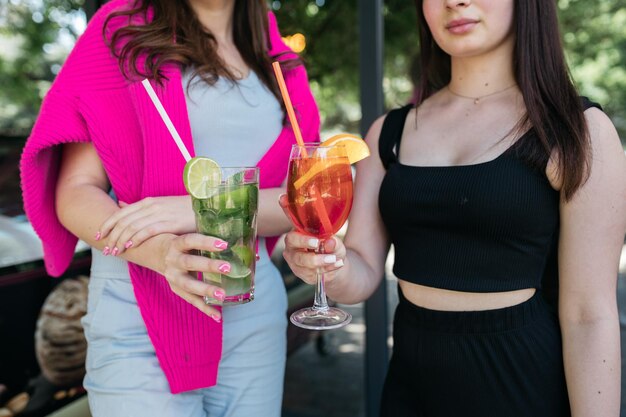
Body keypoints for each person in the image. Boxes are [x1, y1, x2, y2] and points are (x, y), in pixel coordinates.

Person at [282, 0, 626, 416]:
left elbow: (589, 316)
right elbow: (362, 273)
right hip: (410, 387)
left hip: (521, 385)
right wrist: (325, 266)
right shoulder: (387, 132)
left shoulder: (575, 130)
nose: (454, 1)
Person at [20, 0, 319, 415]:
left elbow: (300, 199)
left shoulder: (279, 62)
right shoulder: (120, 30)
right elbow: (74, 191)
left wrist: (197, 209)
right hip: (138, 307)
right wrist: (158, 251)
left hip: (251, 307)